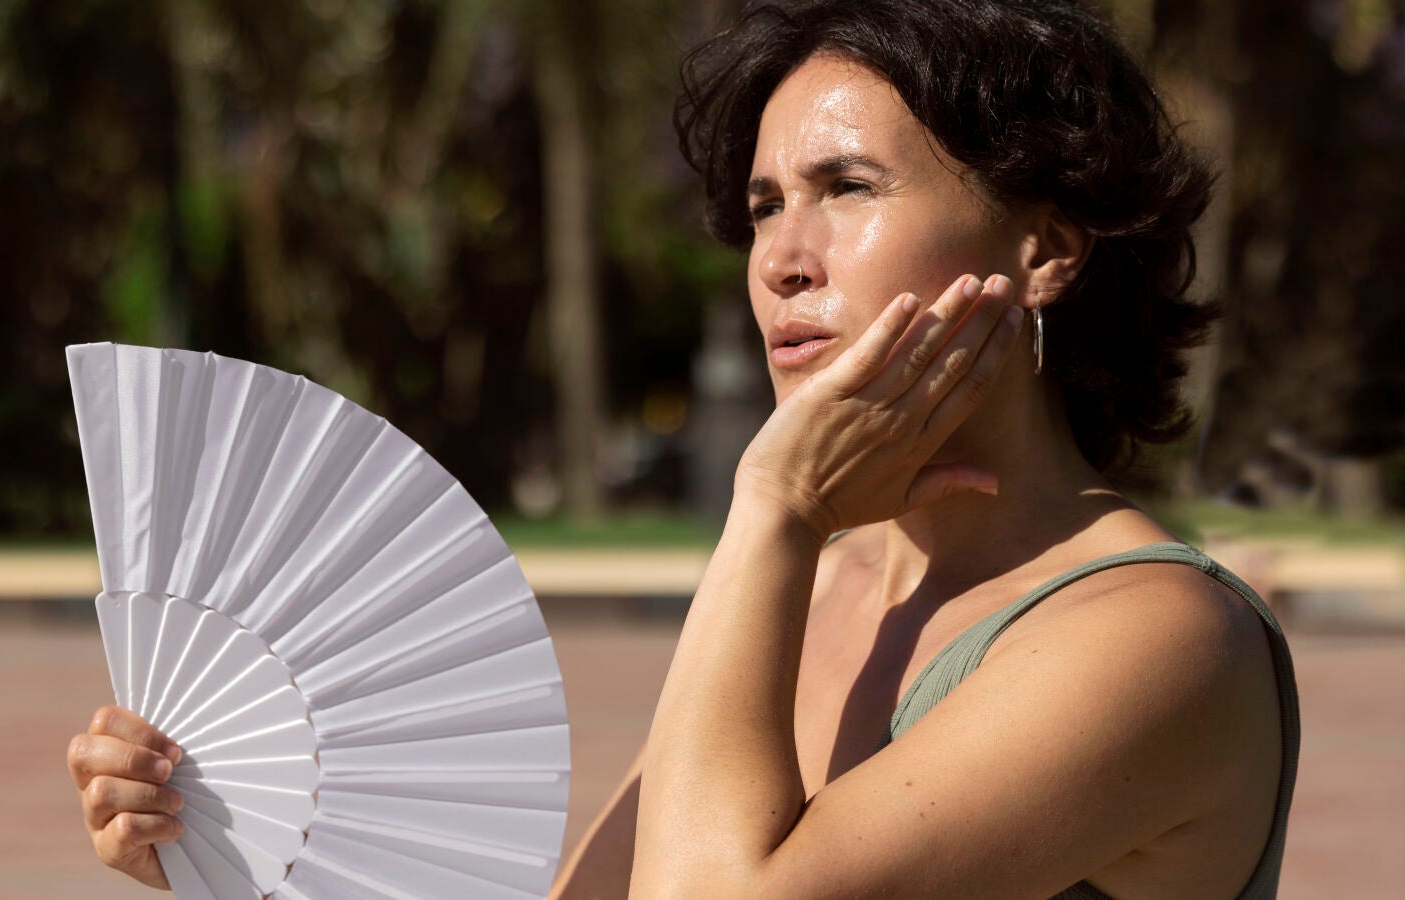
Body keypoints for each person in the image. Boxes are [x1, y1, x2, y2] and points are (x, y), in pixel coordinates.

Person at [68, 1, 1299, 897]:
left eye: (848, 186)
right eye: (764, 206)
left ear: (1045, 250)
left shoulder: (1155, 635)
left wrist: (772, 506)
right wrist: (236, 848)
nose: (782, 259)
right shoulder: (818, 582)